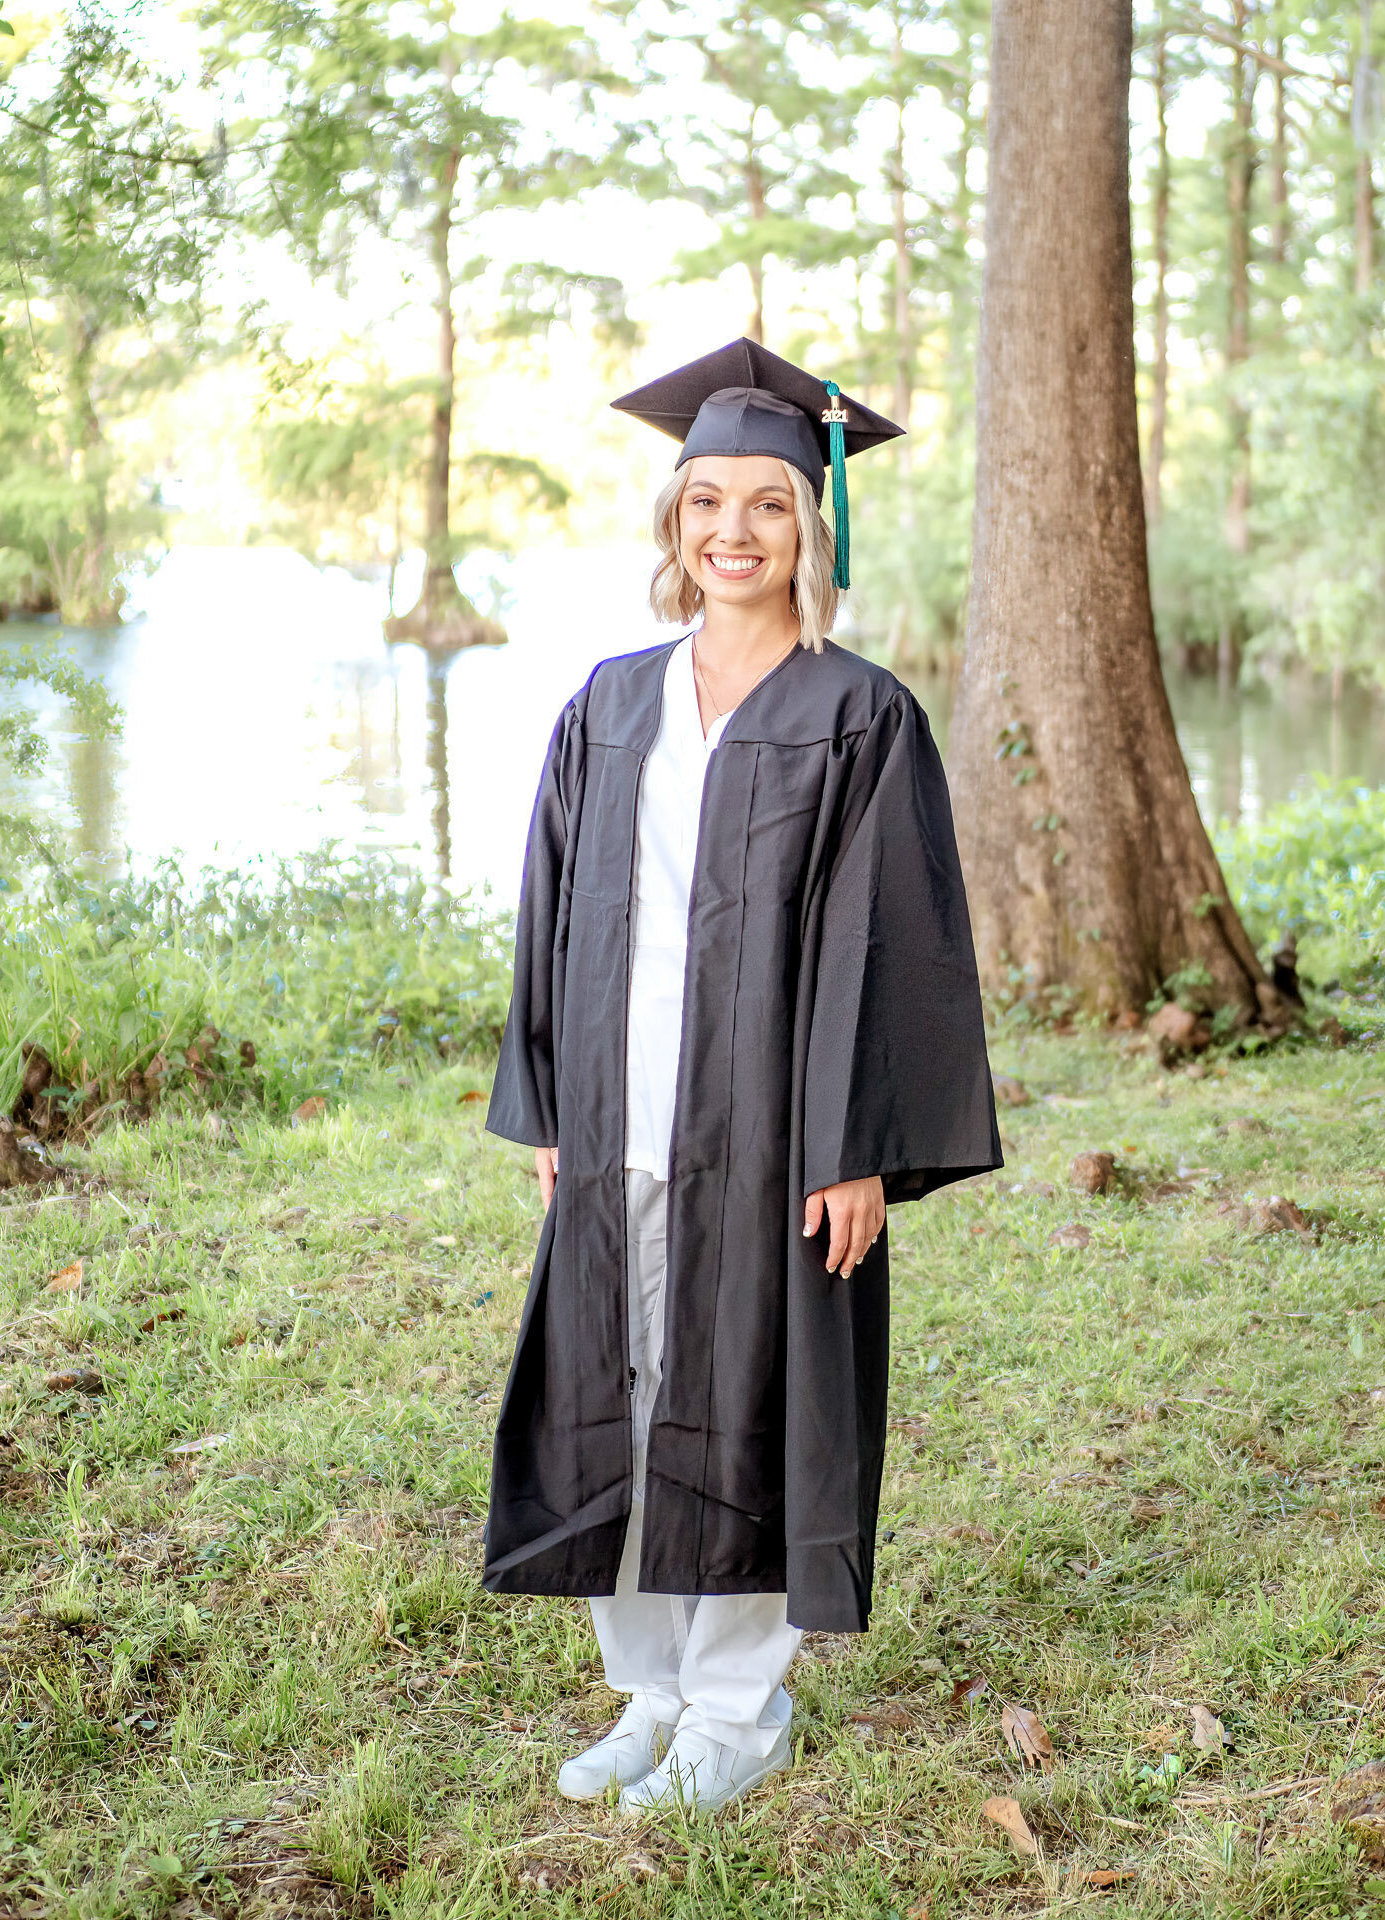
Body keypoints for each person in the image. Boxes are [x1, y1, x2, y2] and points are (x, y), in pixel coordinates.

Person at [482, 337, 1000, 1814]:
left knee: (758, 1392)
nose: (729, 531)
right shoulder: (609, 700)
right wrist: (549, 1105)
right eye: (702, 500)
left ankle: (736, 1708)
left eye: (764, 504)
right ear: (671, 523)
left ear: (807, 525)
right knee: (614, 1383)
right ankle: (645, 1694)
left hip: (775, 1133)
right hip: (619, 1109)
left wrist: (856, 1147)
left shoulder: (861, 716)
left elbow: (899, 955)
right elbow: (551, 905)